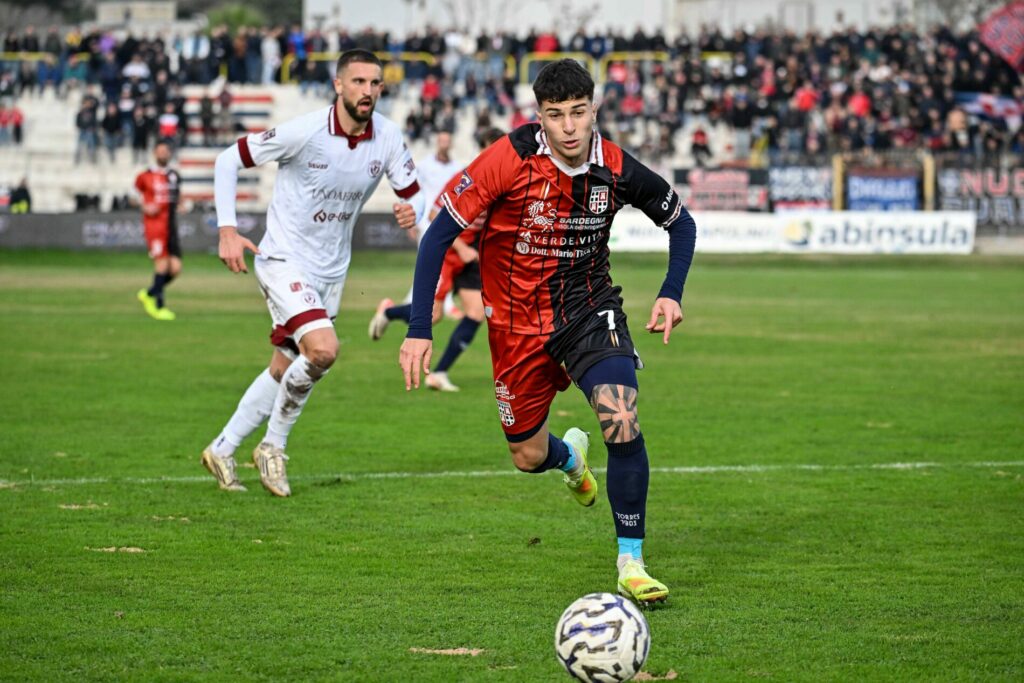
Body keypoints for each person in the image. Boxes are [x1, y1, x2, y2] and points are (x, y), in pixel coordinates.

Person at [399, 60, 696, 604]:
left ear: (594, 109)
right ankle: (570, 461)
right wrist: (420, 327)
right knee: (527, 456)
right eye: (556, 115)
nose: (569, 126)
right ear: (539, 115)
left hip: (589, 310)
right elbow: (437, 236)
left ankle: (631, 561)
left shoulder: (616, 168)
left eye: (578, 112)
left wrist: (671, 291)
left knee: (621, 414)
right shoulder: (508, 159)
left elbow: (681, 221)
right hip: (515, 325)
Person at [203, 49, 424, 497]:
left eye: (375, 83)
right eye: (358, 81)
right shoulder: (305, 131)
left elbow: (414, 193)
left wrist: (411, 210)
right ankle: (273, 446)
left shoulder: (387, 136)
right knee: (323, 351)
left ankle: (222, 448)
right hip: (284, 260)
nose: (367, 91)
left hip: (331, 272)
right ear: (338, 85)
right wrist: (227, 230)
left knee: (285, 364)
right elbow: (228, 160)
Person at [370, 127, 506, 393]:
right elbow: (434, 217)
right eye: (495, 148)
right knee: (433, 315)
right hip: (450, 253)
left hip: (470, 255)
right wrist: (462, 248)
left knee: (476, 312)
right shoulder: (466, 178)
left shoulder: (503, 180)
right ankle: (389, 312)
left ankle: (439, 373)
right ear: (483, 149)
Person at [369, 130, 462, 336]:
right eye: (441, 140)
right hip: (428, 221)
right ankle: (434, 305)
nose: (444, 144)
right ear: (437, 142)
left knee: (443, 265)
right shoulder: (425, 165)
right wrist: (413, 219)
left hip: (449, 221)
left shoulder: (457, 168)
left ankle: (438, 303)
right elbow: (412, 191)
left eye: (447, 141)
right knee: (430, 265)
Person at [135, 141, 182, 321]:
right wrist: (144, 206)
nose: (162, 154)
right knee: (162, 264)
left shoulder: (174, 175)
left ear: (169, 153)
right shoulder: (145, 175)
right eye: (160, 151)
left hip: (171, 225)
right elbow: (133, 194)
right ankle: (159, 306)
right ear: (155, 153)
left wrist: (181, 204)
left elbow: (177, 196)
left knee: (175, 268)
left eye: (165, 151)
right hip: (155, 225)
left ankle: (149, 293)